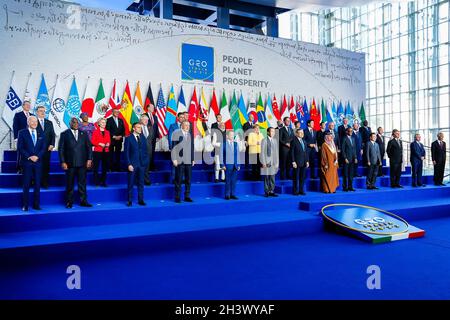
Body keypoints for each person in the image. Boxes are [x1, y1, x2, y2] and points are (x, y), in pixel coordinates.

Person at [58, 117, 93, 208]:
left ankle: (83, 201)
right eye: (73, 122)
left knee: (82, 183)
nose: (75, 124)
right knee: (70, 184)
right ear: (70, 124)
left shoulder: (84, 134)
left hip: (82, 163)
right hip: (70, 164)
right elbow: (61, 149)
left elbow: (89, 147)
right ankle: (69, 202)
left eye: (77, 122)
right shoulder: (64, 134)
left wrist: (89, 159)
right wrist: (63, 162)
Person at [17, 116, 46, 211]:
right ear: (28, 122)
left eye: (36, 122)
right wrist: (29, 156)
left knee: (37, 184)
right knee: (26, 184)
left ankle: (36, 205)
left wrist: (37, 156)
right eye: (32, 121)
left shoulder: (41, 133)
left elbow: (43, 148)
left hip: (38, 162)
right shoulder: (22, 133)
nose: (34, 123)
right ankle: (25, 205)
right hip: (27, 162)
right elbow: (20, 148)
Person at [124, 122, 149, 207]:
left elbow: (146, 151)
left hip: (142, 164)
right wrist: (129, 164)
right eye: (138, 127)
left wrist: (145, 162)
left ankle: (140, 200)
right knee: (130, 183)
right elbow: (126, 153)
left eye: (140, 127)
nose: (140, 129)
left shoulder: (143, 138)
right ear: (134, 128)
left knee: (141, 183)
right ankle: (129, 200)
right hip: (132, 165)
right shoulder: (128, 138)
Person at [171, 121, 195, 203]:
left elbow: (192, 147)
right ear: (182, 126)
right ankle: (177, 197)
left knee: (188, 179)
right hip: (179, 160)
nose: (188, 127)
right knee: (179, 179)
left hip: (188, 161)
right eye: (186, 125)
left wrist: (193, 159)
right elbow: (173, 147)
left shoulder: (190, 135)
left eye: (189, 125)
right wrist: (174, 159)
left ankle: (187, 196)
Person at [36, 105, 55, 189]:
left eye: (44, 111)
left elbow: (52, 135)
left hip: (47, 149)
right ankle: (37, 183)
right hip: (37, 149)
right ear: (37, 112)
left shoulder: (49, 122)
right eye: (40, 111)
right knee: (37, 166)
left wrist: (52, 144)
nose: (42, 112)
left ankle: (45, 183)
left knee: (46, 166)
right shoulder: (33, 121)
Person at [13, 99, 34, 173]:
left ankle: (29, 168)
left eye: (29, 105)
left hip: (31, 138)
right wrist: (16, 137)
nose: (28, 106)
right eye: (27, 105)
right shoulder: (18, 115)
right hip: (21, 137)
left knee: (29, 152)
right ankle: (19, 168)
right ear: (23, 106)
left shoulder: (32, 115)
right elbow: (15, 126)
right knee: (21, 153)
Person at [91, 118, 110, 187]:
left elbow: (109, 141)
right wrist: (99, 143)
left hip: (106, 151)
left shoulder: (107, 132)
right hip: (97, 151)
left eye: (104, 123)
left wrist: (108, 144)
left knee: (105, 167)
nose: (104, 124)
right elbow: (92, 141)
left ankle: (103, 181)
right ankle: (96, 182)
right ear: (99, 124)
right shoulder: (95, 132)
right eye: (102, 123)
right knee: (96, 167)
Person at [221, 130, 240, 200]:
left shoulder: (236, 144)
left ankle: (233, 194)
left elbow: (238, 155)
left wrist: (238, 165)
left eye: (233, 135)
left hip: (235, 165)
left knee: (234, 181)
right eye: (231, 135)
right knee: (228, 181)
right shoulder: (224, 144)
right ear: (227, 136)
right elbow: (221, 155)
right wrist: (222, 165)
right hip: (227, 166)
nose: (232, 136)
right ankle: (227, 194)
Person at [260, 127, 279, 197]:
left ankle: (271, 191)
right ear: (268, 132)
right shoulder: (264, 140)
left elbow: (276, 152)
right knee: (267, 177)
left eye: (274, 132)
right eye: (272, 131)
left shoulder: (275, 140)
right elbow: (262, 152)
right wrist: (263, 162)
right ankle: (266, 191)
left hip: (273, 162)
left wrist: (277, 162)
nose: (273, 133)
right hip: (266, 162)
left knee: (272, 177)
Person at [290, 129, 309, 195]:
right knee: (296, 177)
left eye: (302, 132)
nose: (302, 134)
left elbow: (306, 152)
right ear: (296, 134)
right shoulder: (293, 141)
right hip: (297, 162)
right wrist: (293, 161)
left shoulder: (304, 141)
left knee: (302, 177)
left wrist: (307, 161)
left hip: (304, 162)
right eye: (300, 133)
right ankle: (295, 191)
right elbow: (291, 152)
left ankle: (301, 190)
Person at [140, 114, 155, 185]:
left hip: (148, 149)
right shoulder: (138, 127)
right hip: (140, 150)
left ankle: (146, 179)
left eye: (147, 120)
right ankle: (139, 180)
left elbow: (151, 138)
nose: (146, 121)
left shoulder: (150, 127)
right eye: (144, 119)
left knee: (147, 165)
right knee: (140, 165)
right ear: (141, 120)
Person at [341, 127, 357, 192]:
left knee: (351, 174)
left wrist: (355, 157)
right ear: (346, 132)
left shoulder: (353, 139)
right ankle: (345, 187)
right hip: (346, 159)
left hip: (352, 159)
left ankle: (350, 187)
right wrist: (345, 158)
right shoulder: (344, 139)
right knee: (345, 174)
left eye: (351, 131)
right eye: (349, 131)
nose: (351, 132)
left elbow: (354, 150)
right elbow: (343, 150)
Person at [144, 103, 158, 171]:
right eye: (152, 107)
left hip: (154, 137)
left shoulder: (155, 116)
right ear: (148, 108)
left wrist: (157, 135)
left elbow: (156, 127)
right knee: (147, 152)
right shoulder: (144, 115)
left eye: (153, 107)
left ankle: (152, 166)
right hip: (147, 138)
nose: (153, 109)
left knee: (152, 151)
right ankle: (147, 167)